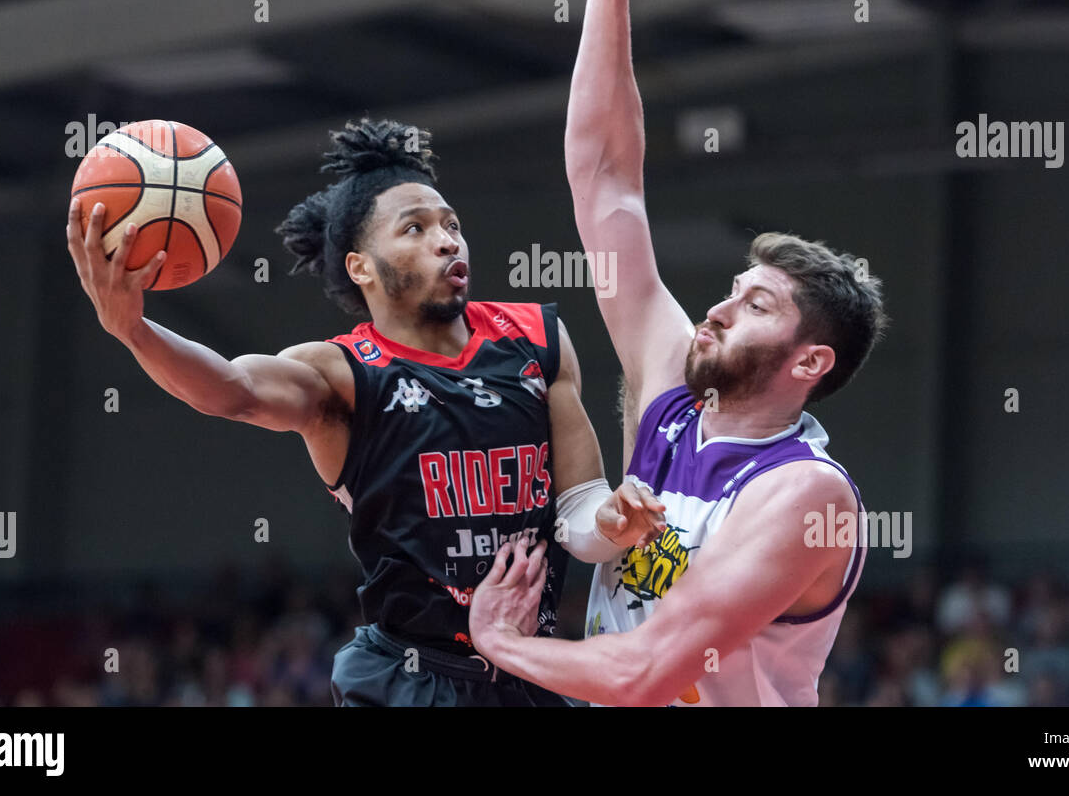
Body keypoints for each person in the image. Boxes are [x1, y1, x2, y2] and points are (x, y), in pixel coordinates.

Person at [468, 0, 888, 706]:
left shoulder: (806, 497)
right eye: (734, 287)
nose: (723, 306)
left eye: (758, 303)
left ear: (810, 362)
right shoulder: (671, 386)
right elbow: (606, 181)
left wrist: (500, 641)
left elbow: (647, 670)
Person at [66, 116, 664, 706]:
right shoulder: (343, 375)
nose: (447, 239)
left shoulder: (537, 339)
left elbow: (578, 510)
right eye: (415, 228)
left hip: (527, 672)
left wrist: (612, 524)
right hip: (408, 681)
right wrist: (133, 330)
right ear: (360, 266)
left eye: (451, 224)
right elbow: (232, 389)